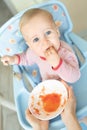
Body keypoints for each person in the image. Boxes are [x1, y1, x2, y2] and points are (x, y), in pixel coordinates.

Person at [1, 8, 80, 83]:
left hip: (68, 85)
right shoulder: (34, 53)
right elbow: (25, 58)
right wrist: (13, 59)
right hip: (47, 85)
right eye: (36, 39)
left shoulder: (65, 52)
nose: (45, 41)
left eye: (48, 33)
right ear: (31, 46)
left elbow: (75, 77)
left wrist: (57, 63)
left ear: (57, 32)